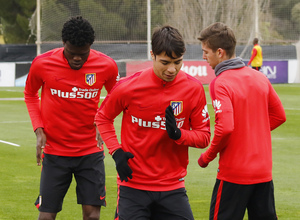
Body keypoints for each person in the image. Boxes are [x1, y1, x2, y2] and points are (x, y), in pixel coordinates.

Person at [95, 25, 211, 220]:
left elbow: (204, 137)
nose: (172, 69)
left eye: (178, 62)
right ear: (152, 55)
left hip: (173, 186)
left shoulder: (193, 89)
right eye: (165, 62)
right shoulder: (128, 87)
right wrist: (116, 152)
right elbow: (102, 117)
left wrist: (179, 134)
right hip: (133, 185)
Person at [24, 16, 119, 220]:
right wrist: (38, 128)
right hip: (55, 151)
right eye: (72, 53)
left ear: (90, 47)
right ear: (63, 43)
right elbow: (30, 94)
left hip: (90, 152)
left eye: (82, 54)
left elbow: (117, 97)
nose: (77, 58)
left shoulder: (107, 65)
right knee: (46, 216)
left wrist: (102, 118)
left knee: (92, 216)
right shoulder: (42, 63)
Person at [197, 22, 286, 220]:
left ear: (220, 52)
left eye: (206, 52)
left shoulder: (220, 82)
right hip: (263, 172)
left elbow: (226, 127)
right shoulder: (259, 77)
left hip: (234, 174)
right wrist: (251, 134)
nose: (203, 56)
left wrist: (207, 157)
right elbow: (280, 116)